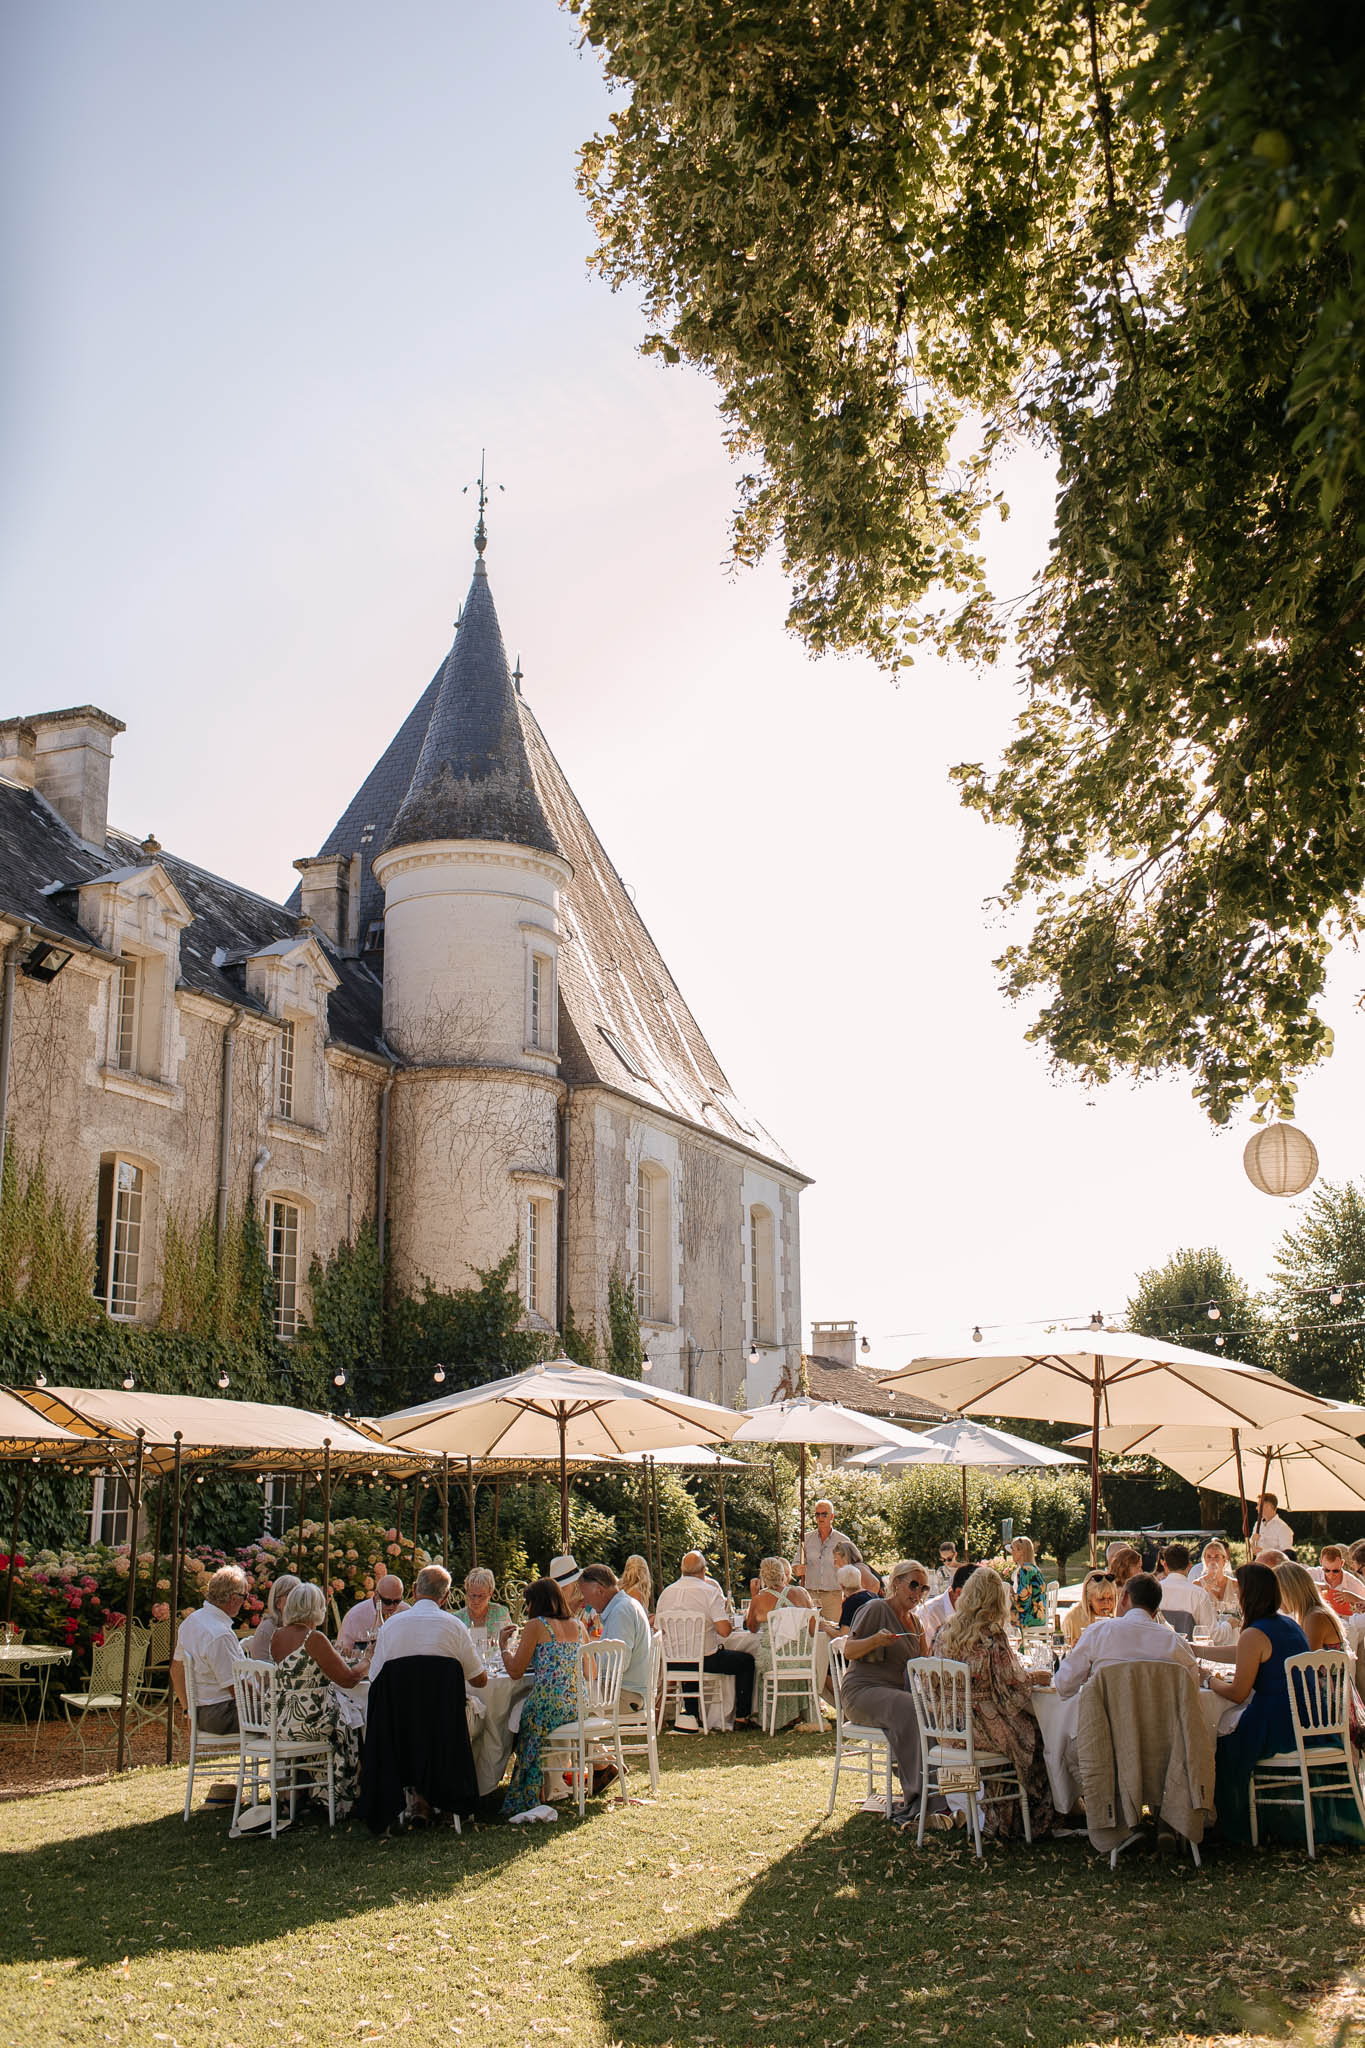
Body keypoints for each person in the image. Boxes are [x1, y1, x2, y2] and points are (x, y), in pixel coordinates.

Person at [936, 1566, 1056, 1839]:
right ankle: (1018, 1819)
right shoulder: (991, 1635)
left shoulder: (947, 1630)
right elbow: (1011, 1687)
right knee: (1036, 1736)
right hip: (980, 1726)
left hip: (949, 1726)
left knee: (1018, 1732)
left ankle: (972, 1810)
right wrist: (1035, 1676)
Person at [1210, 1562, 1312, 1844]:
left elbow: (1238, 1693)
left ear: (1249, 1594)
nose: (1235, 1594)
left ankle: (1232, 1825)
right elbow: (1243, 1651)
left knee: (1217, 1744)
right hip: (1305, 1719)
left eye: (1238, 1589)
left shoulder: (1254, 1633)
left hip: (1276, 1723)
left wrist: (1208, 1680)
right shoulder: (1288, 1624)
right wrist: (1196, 1649)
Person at [839, 1559, 943, 1825]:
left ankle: (945, 1791)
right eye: (913, 1585)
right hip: (863, 1691)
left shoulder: (917, 1624)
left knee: (932, 1709)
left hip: (895, 1694)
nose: (917, 1593)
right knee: (912, 1708)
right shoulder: (876, 1608)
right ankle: (921, 1795)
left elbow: (922, 1665)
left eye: (923, 1588)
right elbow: (848, 1651)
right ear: (896, 1583)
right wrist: (876, 1640)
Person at [267, 1581, 367, 1817]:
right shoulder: (314, 1638)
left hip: (282, 1722)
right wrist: (367, 1662)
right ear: (316, 1608)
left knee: (348, 1715)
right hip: (311, 1721)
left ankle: (314, 1793)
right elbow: (348, 1679)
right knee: (356, 1722)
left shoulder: (277, 1637)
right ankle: (346, 1796)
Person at [499, 1576, 587, 1817]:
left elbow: (515, 1671)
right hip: (577, 1705)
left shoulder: (536, 1625)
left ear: (536, 1603)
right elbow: (591, 1671)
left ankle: (525, 1790)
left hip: (549, 1704)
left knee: (516, 1716)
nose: (526, 1609)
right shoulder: (579, 1626)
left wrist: (504, 1647)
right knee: (522, 1711)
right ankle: (546, 1786)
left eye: (528, 1603)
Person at [1054, 1574, 1199, 1699]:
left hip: (1107, 1727)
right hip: (1160, 1728)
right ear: (1155, 1612)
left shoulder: (1097, 1633)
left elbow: (1064, 1686)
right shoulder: (1175, 1643)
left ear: (1123, 1597)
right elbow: (1192, 1690)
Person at [655, 1552, 754, 1727]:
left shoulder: (666, 1593)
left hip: (673, 1662)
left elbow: (657, 1630)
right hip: (705, 1660)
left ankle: (692, 1716)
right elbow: (724, 1632)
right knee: (746, 1662)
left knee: (688, 1657)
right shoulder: (709, 1592)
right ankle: (741, 1717)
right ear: (703, 1571)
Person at [367, 1564, 488, 1695]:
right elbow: (479, 1681)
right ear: (446, 1596)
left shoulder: (390, 1626)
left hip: (400, 1713)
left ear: (414, 1590)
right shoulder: (457, 1627)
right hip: (444, 1713)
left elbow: (374, 1677)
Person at [172, 1564, 248, 1734]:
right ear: (234, 1599)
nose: (245, 1602)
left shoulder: (192, 1621)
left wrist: (188, 1710)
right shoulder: (219, 1634)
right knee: (285, 1713)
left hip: (202, 1712)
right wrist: (267, 1696)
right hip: (223, 1712)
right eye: (245, 1596)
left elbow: (175, 1670)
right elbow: (237, 1689)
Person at [747, 1556, 819, 1731]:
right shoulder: (801, 1593)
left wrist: (754, 1595)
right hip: (802, 1658)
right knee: (791, 1660)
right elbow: (812, 1628)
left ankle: (773, 1718)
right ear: (783, 1574)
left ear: (763, 1577)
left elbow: (752, 1628)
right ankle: (798, 1714)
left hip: (774, 1659)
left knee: (763, 1659)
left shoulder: (759, 1599)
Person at [580, 1563, 656, 1713]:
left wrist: (586, 1664)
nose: (584, 1603)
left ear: (600, 1591)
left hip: (625, 1696)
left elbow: (618, 1664)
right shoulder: (624, 1605)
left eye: (586, 1596)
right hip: (625, 1691)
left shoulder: (621, 1612)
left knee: (565, 1702)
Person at [793, 1501, 863, 1622]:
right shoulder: (806, 1539)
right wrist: (796, 1569)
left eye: (824, 1514)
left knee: (833, 1631)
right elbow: (795, 1564)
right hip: (810, 1594)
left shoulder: (842, 1540)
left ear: (832, 1516)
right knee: (809, 1631)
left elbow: (852, 1568)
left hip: (834, 1596)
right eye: (817, 1514)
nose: (820, 1518)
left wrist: (847, 1593)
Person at [1276, 1561, 1349, 1652]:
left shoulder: (1315, 1617)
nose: (1275, 1599)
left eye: (1277, 1593)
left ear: (1290, 1591)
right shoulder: (1309, 1614)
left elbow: (1307, 1659)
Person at [338, 1574, 407, 1657]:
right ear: (376, 1595)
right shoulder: (355, 1616)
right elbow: (342, 1651)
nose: (392, 1606)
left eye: (397, 1601)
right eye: (387, 1601)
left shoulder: (406, 1612)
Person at [1154, 1544, 1215, 1634]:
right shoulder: (1199, 1594)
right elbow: (1212, 1633)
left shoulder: (1153, 1592)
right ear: (1189, 1565)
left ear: (1165, 1565)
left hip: (1160, 1645)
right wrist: (1228, 1625)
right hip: (1190, 1647)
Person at [245, 1572, 300, 1662]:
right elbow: (261, 1670)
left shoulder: (298, 1625)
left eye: (298, 1595)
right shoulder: (268, 1628)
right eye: (290, 1595)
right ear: (277, 1603)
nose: (296, 1600)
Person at [921, 1563, 978, 1648]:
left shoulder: (975, 1611)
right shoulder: (930, 1612)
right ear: (959, 1593)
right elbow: (930, 1656)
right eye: (979, 1596)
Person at [549, 1554, 602, 1641]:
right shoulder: (556, 1609)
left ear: (576, 1585)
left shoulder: (592, 1608)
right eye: (555, 1589)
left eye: (563, 1588)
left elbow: (601, 1641)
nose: (557, 1592)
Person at [1061, 1569, 1117, 1648]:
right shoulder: (1073, 1620)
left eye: (1111, 1598)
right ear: (1089, 1600)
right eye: (1101, 1599)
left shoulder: (1118, 1618)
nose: (1107, 1603)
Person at [1192, 1541, 1242, 1625]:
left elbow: (1243, 1613)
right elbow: (1194, 1613)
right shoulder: (1197, 1585)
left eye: (1216, 1557)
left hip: (1232, 1632)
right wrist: (1206, 1589)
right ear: (1204, 1560)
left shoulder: (1236, 1584)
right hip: (1208, 1630)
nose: (1212, 1560)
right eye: (1209, 1557)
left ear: (1224, 1559)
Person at [453, 1567, 510, 1639]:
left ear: (490, 1594)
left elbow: (509, 1641)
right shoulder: (458, 1619)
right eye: (473, 1595)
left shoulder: (501, 1613)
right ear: (466, 1593)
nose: (476, 1601)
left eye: (481, 1596)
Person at [1313, 1545, 1365, 1618]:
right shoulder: (1311, 1574)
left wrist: (1356, 1599)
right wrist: (1313, 1585)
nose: (1331, 1575)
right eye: (1327, 1570)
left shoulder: (1355, 1584)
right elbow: (1293, 1588)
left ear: (1342, 1563)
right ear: (1320, 1562)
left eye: (1335, 1571)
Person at [1009, 1537, 1046, 1628]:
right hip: (1040, 1616)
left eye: (1013, 1550)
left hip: (1030, 1618)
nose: (1011, 1553)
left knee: (1000, 1617)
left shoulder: (1025, 1571)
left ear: (1021, 1551)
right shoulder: (1033, 1568)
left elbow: (1023, 1602)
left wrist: (1011, 1595)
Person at [1251, 1492, 1294, 1558]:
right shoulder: (1257, 1524)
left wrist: (1264, 1552)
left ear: (1268, 1506)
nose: (1257, 1508)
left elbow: (1286, 1556)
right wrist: (1253, 1542)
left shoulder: (1283, 1528)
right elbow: (1252, 1549)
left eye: (1258, 1504)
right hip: (1258, 1564)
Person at [836, 1563, 873, 1629]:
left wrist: (825, 1627)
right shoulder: (873, 1596)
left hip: (860, 1637)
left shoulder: (850, 1602)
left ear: (841, 1586)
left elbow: (844, 1634)